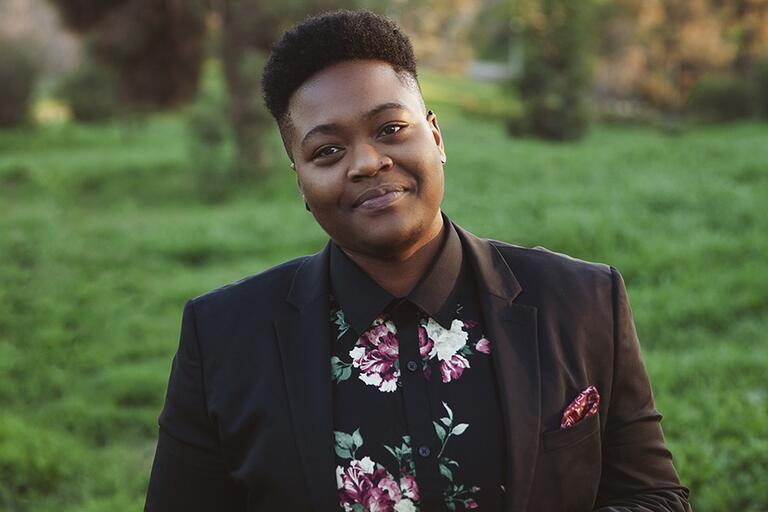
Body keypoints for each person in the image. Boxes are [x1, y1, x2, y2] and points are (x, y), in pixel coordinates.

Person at [144, 10, 690, 512]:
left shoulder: (583, 300)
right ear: (301, 183)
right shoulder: (222, 338)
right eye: (327, 151)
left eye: (390, 129)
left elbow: (655, 496)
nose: (367, 162)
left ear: (435, 135)